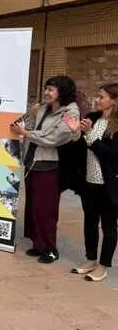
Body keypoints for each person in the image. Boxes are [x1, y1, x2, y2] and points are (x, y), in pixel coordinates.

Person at [10, 75, 80, 264]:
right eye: (46, 88)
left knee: (46, 210)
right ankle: (38, 244)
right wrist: (26, 122)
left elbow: (54, 139)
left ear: (62, 92)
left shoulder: (70, 112)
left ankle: (50, 249)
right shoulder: (43, 108)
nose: (46, 92)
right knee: (33, 207)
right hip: (32, 162)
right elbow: (30, 126)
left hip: (50, 166)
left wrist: (26, 133)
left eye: (51, 89)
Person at [65, 84, 118, 282]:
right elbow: (81, 148)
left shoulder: (116, 125)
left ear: (114, 101)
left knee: (109, 227)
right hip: (88, 182)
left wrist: (89, 135)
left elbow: (110, 156)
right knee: (90, 223)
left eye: (101, 97)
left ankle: (103, 266)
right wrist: (75, 133)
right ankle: (91, 260)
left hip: (109, 185)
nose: (97, 100)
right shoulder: (93, 118)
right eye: (97, 96)